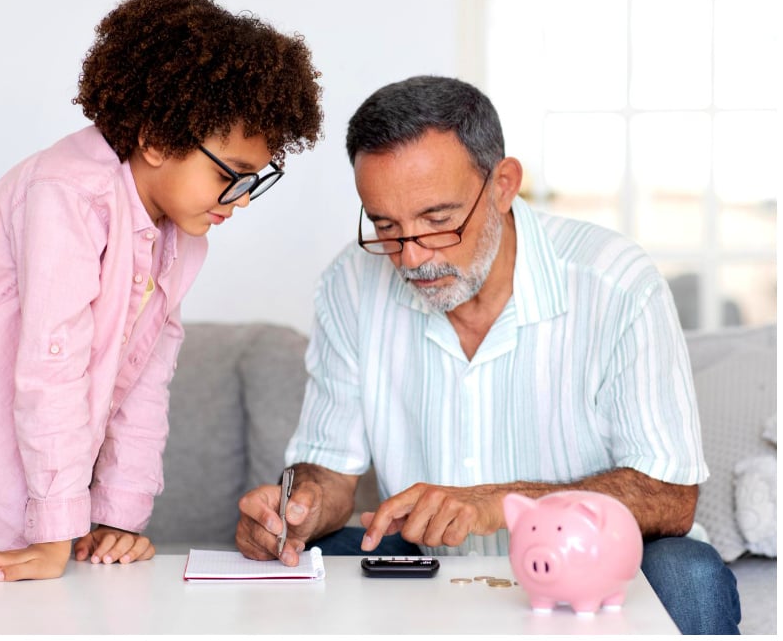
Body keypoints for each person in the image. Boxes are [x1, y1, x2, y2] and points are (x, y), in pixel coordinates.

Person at [0, 0, 323, 583]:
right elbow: (52, 368)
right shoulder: (68, 198)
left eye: (256, 179)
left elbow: (145, 382)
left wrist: (118, 516)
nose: (242, 198)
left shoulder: (182, 242)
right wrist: (55, 531)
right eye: (232, 175)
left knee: (34, 588)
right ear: (156, 140)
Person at [235, 76, 740, 634]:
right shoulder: (350, 286)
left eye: (437, 220)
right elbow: (328, 467)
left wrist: (496, 502)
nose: (411, 259)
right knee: (311, 558)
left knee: (687, 574)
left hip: (594, 567)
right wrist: (296, 510)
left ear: (502, 185)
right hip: (428, 565)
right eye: (385, 226)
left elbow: (669, 496)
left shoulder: (615, 283)